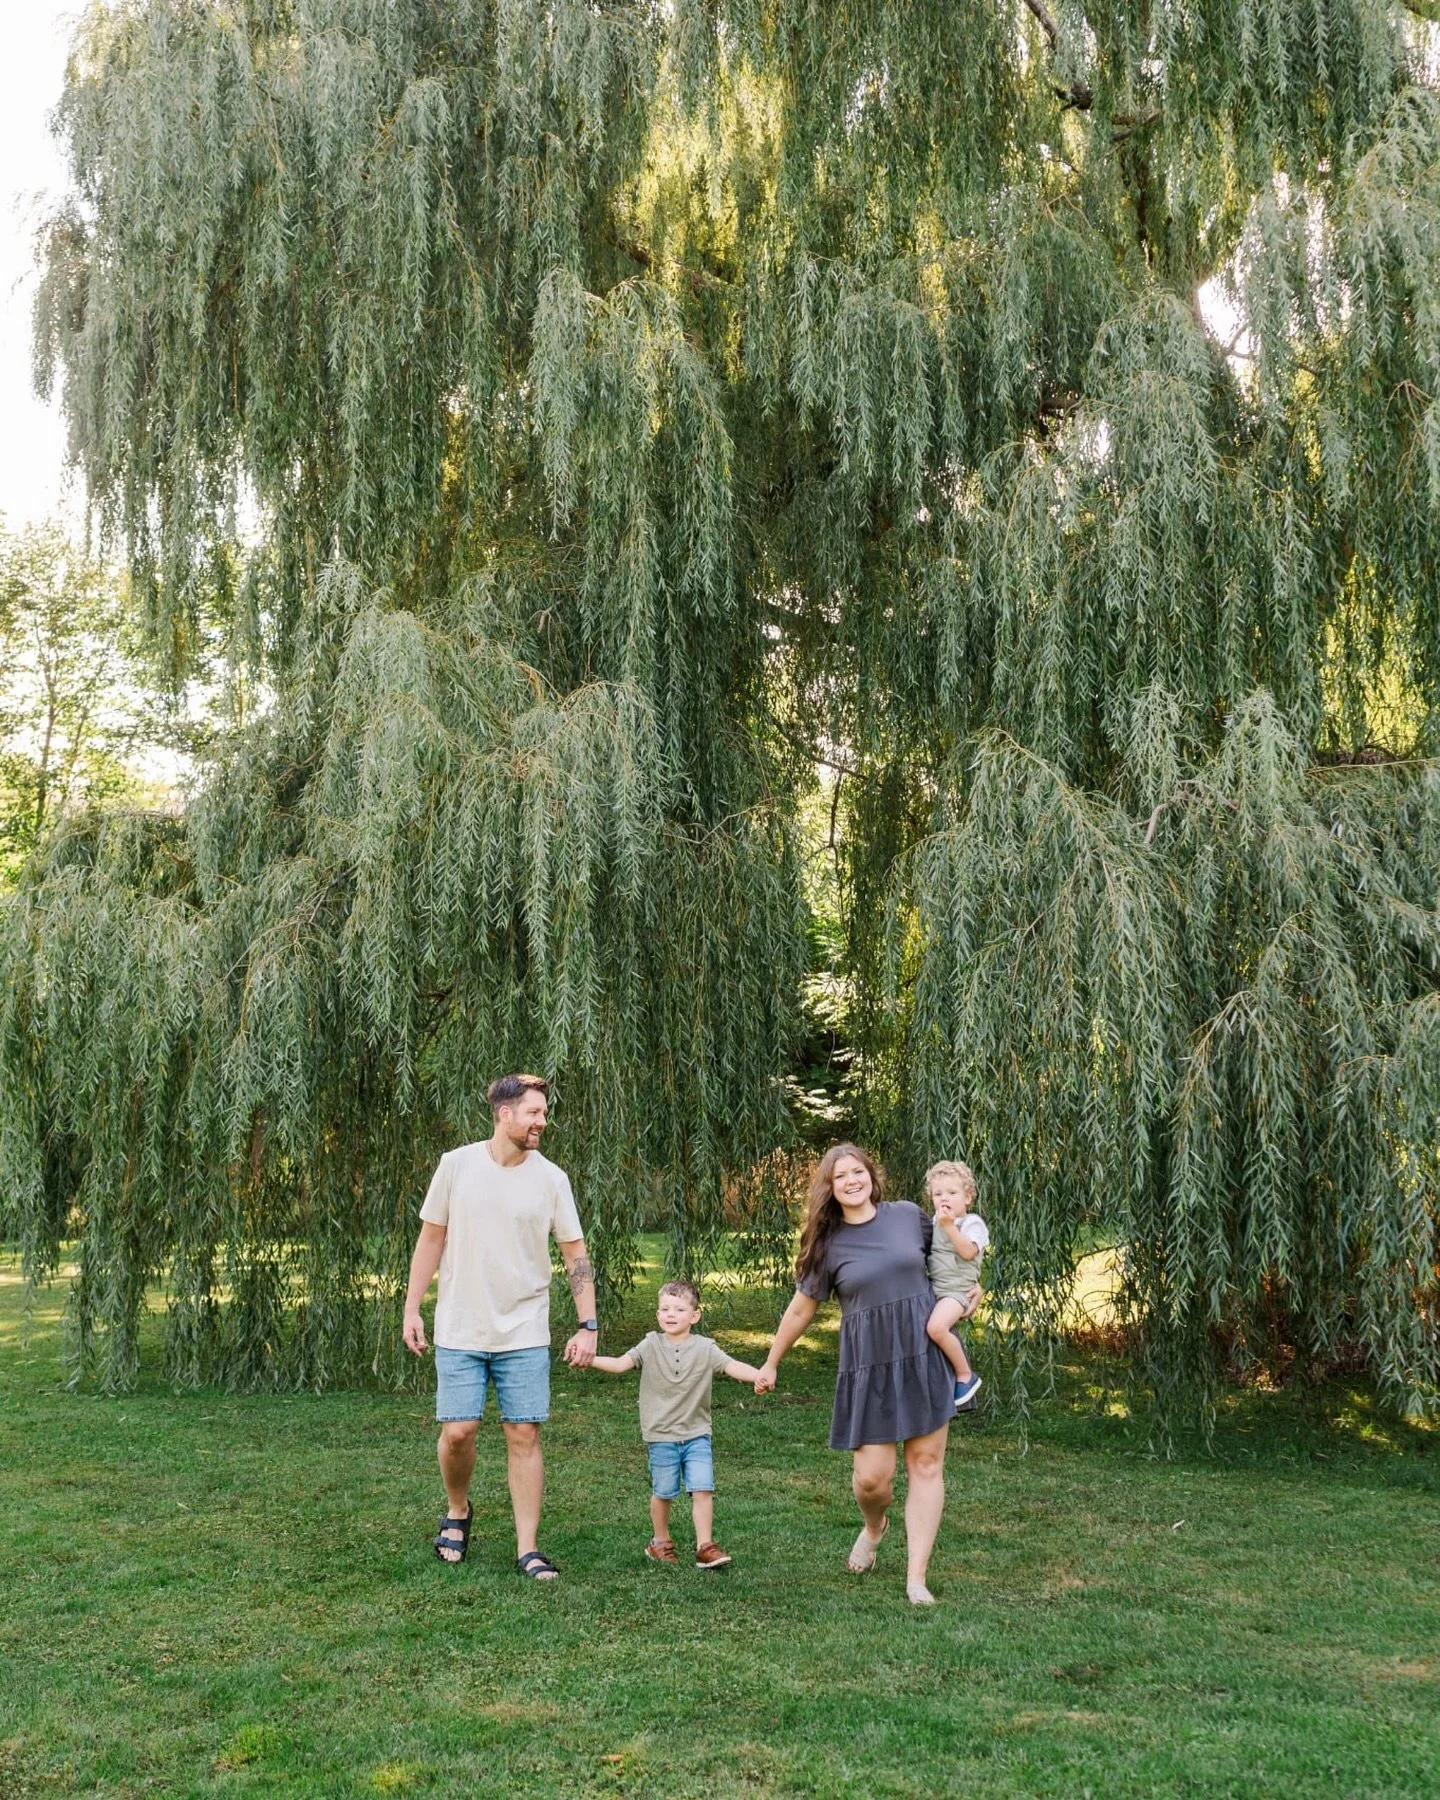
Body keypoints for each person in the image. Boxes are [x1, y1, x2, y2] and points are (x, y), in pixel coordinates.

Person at [402, 1073, 598, 1579]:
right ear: (504, 1114)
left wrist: (587, 1323)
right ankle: (458, 1508)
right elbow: (430, 1240)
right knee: (459, 1431)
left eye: (544, 1113)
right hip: (460, 1325)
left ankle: (527, 1548)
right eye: (534, 1112)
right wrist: (411, 1308)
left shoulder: (552, 1179)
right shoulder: (456, 1165)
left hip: (525, 1329)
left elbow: (575, 1254)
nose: (542, 1122)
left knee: (523, 1433)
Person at [756, 1143, 955, 1606]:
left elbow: (950, 1262)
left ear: (871, 1175)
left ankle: (915, 1578)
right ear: (829, 1188)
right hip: (870, 1367)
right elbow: (803, 1308)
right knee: (872, 1480)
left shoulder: (907, 1215)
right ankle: (874, 1526)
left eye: (858, 1171)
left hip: (922, 1354)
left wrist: (968, 1296)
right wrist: (771, 1360)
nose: (851, 1180)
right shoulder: (828, 1244)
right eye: (840, 1175)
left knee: (925, 1465)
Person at [589, 1278, 767, 1569]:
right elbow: (621, 1364)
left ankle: (705, 1546)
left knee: (703, 1488)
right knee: (664, 1491)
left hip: (697, 1434)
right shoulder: (650, 1344)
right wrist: (590, 1359)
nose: (671, 1315)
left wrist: (758, 1375)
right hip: (661, 1435)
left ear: (695, 1316)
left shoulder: (706, 1348)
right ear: (658, 1314)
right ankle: (659, 1542)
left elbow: (731, 1365)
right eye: (665, 1309)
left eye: (679, 1309)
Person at [922, 1160, 987, 1410]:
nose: (944, 1199)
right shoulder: (936, 1221)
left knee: (937, 1328)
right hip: (936, 1289)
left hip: (957, 1292)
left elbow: (969, 1252)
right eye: (938, 1194)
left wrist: (949, 1227)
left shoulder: (972, 1224)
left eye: (952, 1193)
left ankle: (965, 1375)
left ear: (968, 1197)